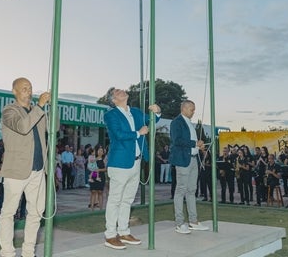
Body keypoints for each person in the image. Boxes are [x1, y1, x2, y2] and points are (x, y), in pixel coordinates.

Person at [0, 77, 50, 257]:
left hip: (38, 170)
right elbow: (23, 127)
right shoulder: (9, 110)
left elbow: (54, 128)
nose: (29, 91)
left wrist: (51, 107)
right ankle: (7, 253)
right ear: (15, 91)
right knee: (8, 213)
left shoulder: (38, 111)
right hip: (16, 171)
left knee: (36, 213)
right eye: (24, 88)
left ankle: (29, 252)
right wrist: (40, 107)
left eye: (30, 88)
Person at [102, 87, 159, 249]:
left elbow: (153, 120)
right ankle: (110, 235)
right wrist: (138, 133)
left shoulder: (135, 111)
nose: (122, 91)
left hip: (136, 162)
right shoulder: (110, 115)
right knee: (115, 199)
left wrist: (157, 111)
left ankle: (124, 231)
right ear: (114, 100)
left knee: (127, 200)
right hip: (119, 163)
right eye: (117, 91)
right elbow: (118, 134)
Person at [170, 100, 209, 235]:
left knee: (192, 190)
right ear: (184, 108)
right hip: (182, 160)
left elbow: (191, 143)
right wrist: (195, 143)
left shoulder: (189, 123)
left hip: (193, 160)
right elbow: (177, 140)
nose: (193, 112)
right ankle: (179, 223)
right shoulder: (176, 122)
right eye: (192, 109)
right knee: (181, 190)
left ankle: (193, 221)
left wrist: (199, 145)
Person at [88, 144, 106, 210]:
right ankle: (92, 208)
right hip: (94, 175)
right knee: (93, 191)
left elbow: (106, 169)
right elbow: (90, 166)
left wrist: (99, 170)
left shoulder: (104, 159)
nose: (100, 152)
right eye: (99, 150)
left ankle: (101, 208)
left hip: (101, 176)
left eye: (101, 151)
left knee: (100, 192)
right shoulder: (92, 157)